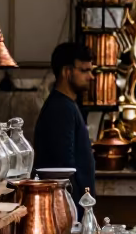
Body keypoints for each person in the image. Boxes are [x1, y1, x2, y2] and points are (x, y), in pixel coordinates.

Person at [32, 42, 96, 210]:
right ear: (67, 72)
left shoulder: (68, 106)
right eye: (84, 70)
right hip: (66, 211)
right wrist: (73, 214)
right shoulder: (60, 109)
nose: (91, 76)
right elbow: (63, 169)